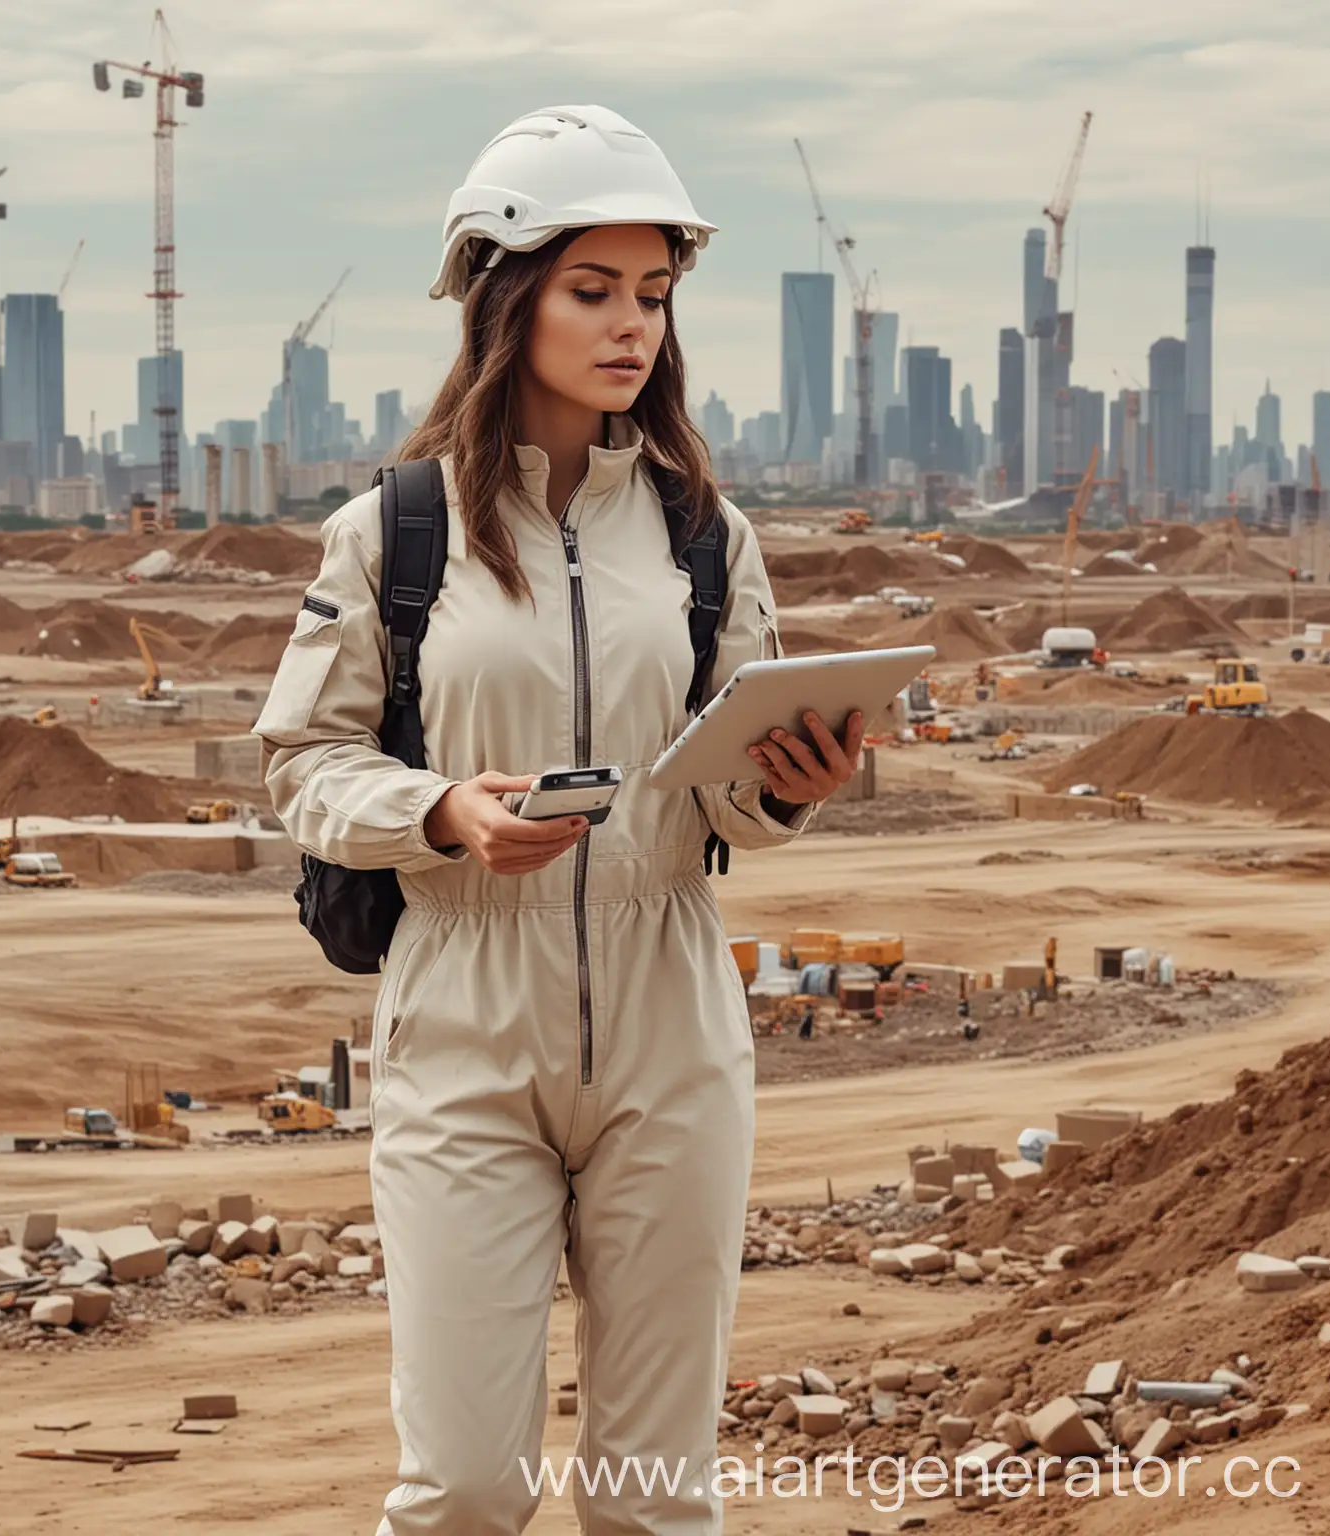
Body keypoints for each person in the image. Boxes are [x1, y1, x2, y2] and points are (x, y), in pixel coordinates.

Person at [254, 104, 865, 1534]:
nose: (631, 326)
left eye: (652, 294)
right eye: (594, 290)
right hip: (465, 1015)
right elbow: (302, 763)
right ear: (504, 294)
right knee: (466, 1487)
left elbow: (722, 795)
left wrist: (789, 790)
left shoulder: (706, 530)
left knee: (656, 1497)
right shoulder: (393, 532)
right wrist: (442, 811)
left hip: (672, 1017)